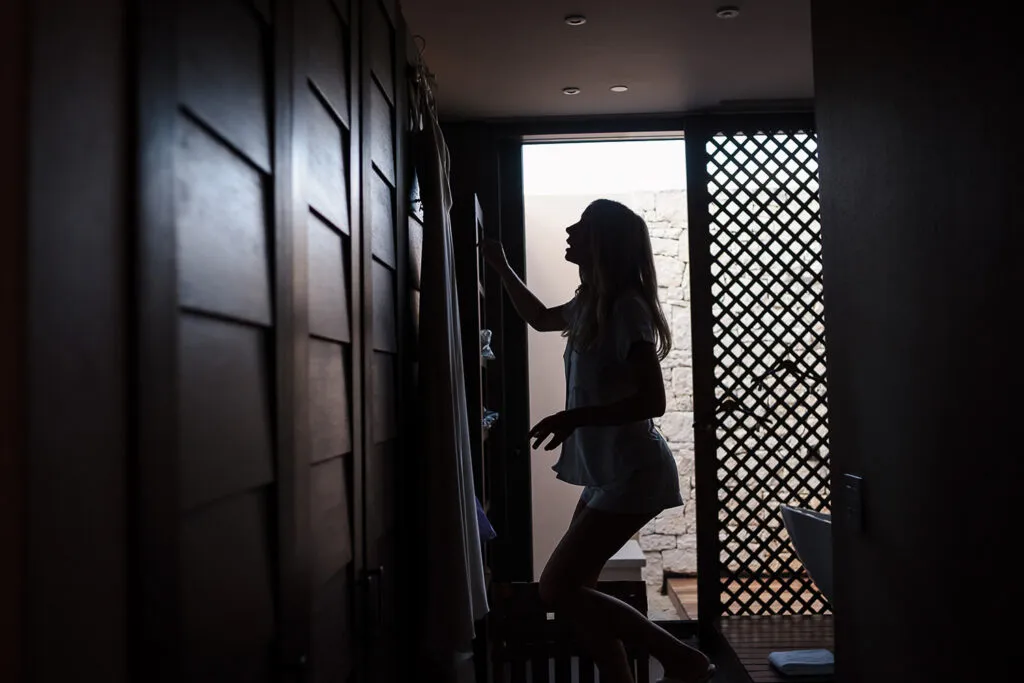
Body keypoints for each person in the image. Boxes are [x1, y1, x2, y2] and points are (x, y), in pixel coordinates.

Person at [479, 199, 715, 683]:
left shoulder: (628, 309)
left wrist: (574, 416)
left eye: (582, 226)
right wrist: (500, 266)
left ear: (603, 242)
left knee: (556, 589)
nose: (569, 229)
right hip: (610, 473)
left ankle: (682, 659)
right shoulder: (592, 304)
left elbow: (653, 401)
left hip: (634, 473)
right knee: (576, 596)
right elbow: (542, 317)